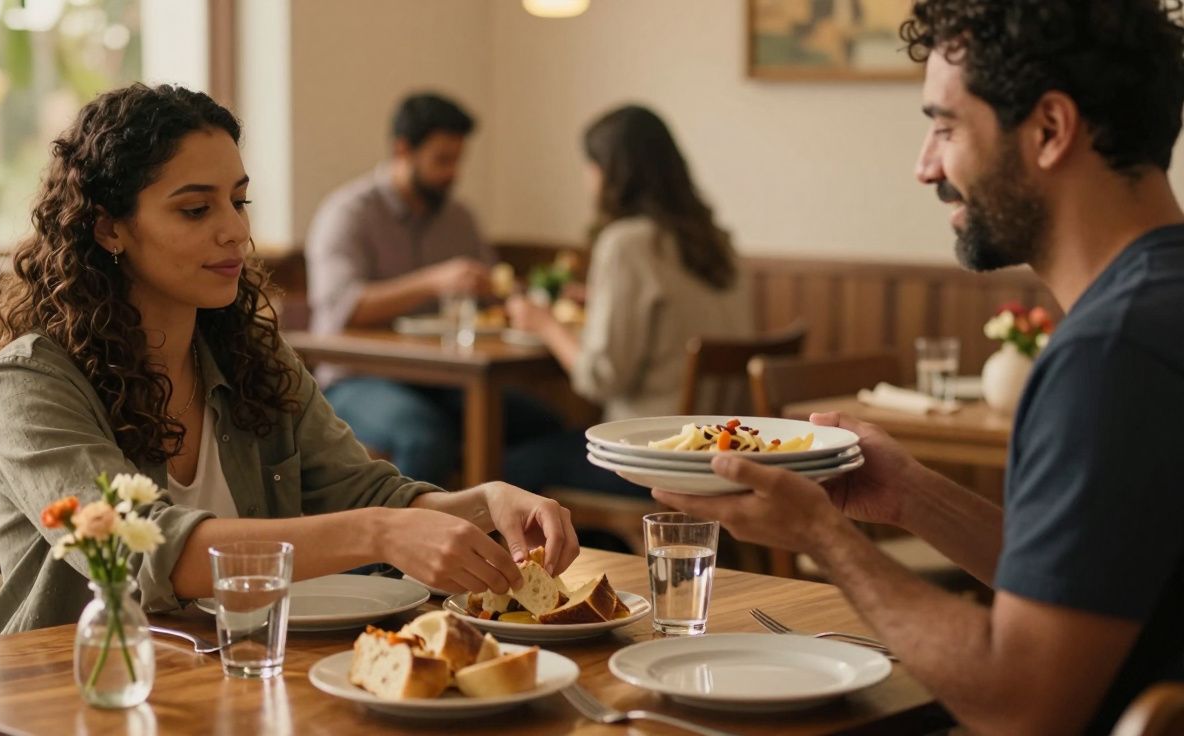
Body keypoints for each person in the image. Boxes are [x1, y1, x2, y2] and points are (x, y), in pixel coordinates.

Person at [651, 1, 1184, 732]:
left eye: (944, 126)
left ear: (1050, 130)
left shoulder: (1110, 352)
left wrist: (822, 537)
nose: (924, 166)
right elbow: (1082, 586)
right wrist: (913, 497)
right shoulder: (1158, 307)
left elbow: (1021, 702)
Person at [0, 84, 578, 635]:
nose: (236, 230)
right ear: (108, 229)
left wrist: (486, 502)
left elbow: (364, 491)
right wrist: (381, 534)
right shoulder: (31, 380)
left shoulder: (251, 354)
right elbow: (144, 551)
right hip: (73, 696)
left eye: (239, 200)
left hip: (241, 675)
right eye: (196, 209)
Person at [306, 92, 561, 484]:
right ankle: (403, 543)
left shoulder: (458, 217)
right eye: (442, 160)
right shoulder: (349, 213)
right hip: (356, 378)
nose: (452, 173)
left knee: (543, 423)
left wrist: (550, 295)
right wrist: (434, 281)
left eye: (458, 160)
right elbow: (342, 309)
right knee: (426, 436)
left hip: (445, 378)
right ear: (403, 149)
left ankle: (496, 531)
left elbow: (496, 287)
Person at [502, 105, 754, 498]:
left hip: (650, 456)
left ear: (609, 171)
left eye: (590, 167)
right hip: (719, 453)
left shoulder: (627, 243)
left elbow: (602, 377)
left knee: (506, 469)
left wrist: (544, 324)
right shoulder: (717, 241)